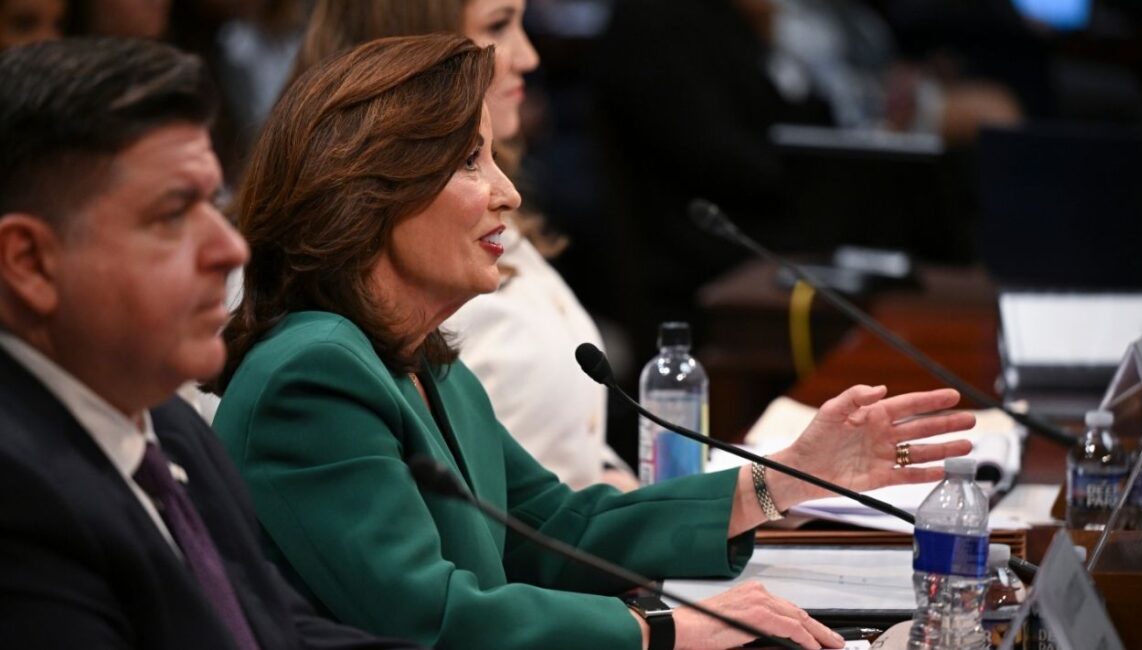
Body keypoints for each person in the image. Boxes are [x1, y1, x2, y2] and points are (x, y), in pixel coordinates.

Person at [212, 33, 977, 650]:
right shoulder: (310, 378)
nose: (507, 192)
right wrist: (665, 630)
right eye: (468, 161)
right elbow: (430, 622)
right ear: (372, 188)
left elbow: (557, 531)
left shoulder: (422, 364)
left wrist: (783, 479)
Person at [0, 37, 424, 650]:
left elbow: (274, 629)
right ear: (30, 261)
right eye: (174, 214)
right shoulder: (19, 499)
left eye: (212, 204)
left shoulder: (170, 427)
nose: (230, 250)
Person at [274, 0, 638, 490]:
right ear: (415, 41)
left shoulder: (434, 348)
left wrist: (615, 479)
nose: (528, 57)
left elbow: (547, 500)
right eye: (498, 25)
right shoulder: (322, 362)